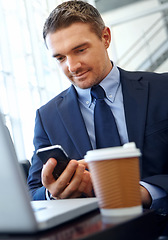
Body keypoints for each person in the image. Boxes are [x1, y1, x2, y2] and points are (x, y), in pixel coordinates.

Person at [27, 0, 168, 215]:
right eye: (60, 58)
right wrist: (53, 193)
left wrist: (146, 192)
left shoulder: (162, 89)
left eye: (80, 50)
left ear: (105, 38)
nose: (72, 66)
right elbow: (33, 192)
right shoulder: (47, 117)